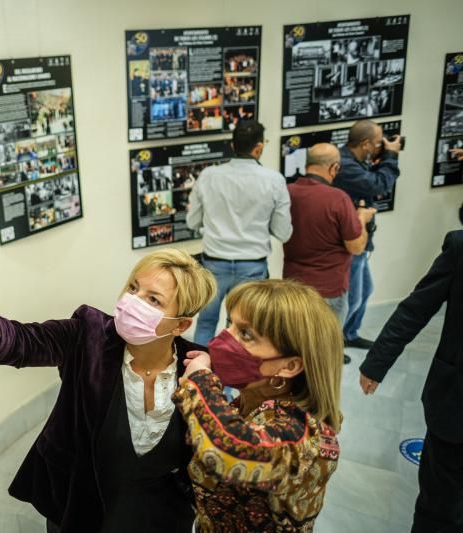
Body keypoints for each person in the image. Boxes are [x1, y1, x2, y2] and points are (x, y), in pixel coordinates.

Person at [0, 250, 217, 532]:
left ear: (181, 325)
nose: (132, 302)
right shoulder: (89, 335)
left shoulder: (198, 366)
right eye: (133, 288)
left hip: (160, 514)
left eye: (153, 299)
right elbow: (32, 340)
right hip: (80, 504)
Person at [173, 279, 343, 530]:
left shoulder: (304, 436)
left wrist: (199, 381)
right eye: (230, 323)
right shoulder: (240, 406)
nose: (223, 338)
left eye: (246, 334)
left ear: (289, 366)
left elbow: (228, 451)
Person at [358, 230, 463, 532]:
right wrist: (377, 363)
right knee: (440, 504)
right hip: (456, 407)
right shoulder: (460, 247)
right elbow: (416, 308)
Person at [186, 120, 292, 346]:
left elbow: (192, 221)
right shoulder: (274, 180)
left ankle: (197, 377)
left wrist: (212, 227)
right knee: (240, 328)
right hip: (252, 266)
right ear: (259, 148)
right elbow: (283, 232)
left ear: (233, 146)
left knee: (205, 322)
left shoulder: (208, 176)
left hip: (214, 263)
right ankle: (226, 382)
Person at [284, 143, 377, 364]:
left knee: (296, 347)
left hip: (293, 286)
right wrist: (362, 220)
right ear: (334, 168)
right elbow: (356, 247)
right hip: (329, 289)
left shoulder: (287, 192)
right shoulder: (338, 198)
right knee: (324, 356)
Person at [334, 120, 401, 350]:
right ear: (364, 144)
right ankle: (333, 343)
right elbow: (380, 185)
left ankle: (350, 334)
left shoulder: (355, 161)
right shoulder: (346, 165)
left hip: (362, 240)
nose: (381, 145)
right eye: (377, 142)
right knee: (352, 298)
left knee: (364, 291)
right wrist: (391, 156)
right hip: (351, 242)